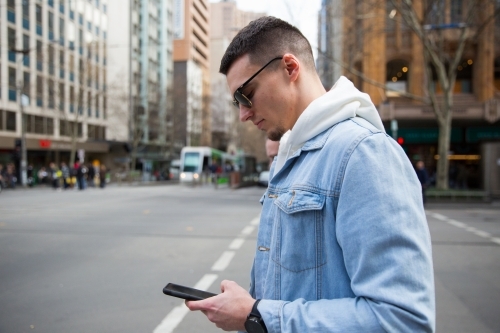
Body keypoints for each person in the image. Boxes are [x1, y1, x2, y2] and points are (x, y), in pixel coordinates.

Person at [185, 16, 435, 332]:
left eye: (246, 94)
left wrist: (257, 315)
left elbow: (402, 319)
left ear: (290, 68)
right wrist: (249, 308)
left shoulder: (363, 153)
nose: (243, 113)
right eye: (236, 101)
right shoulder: (292, 153)